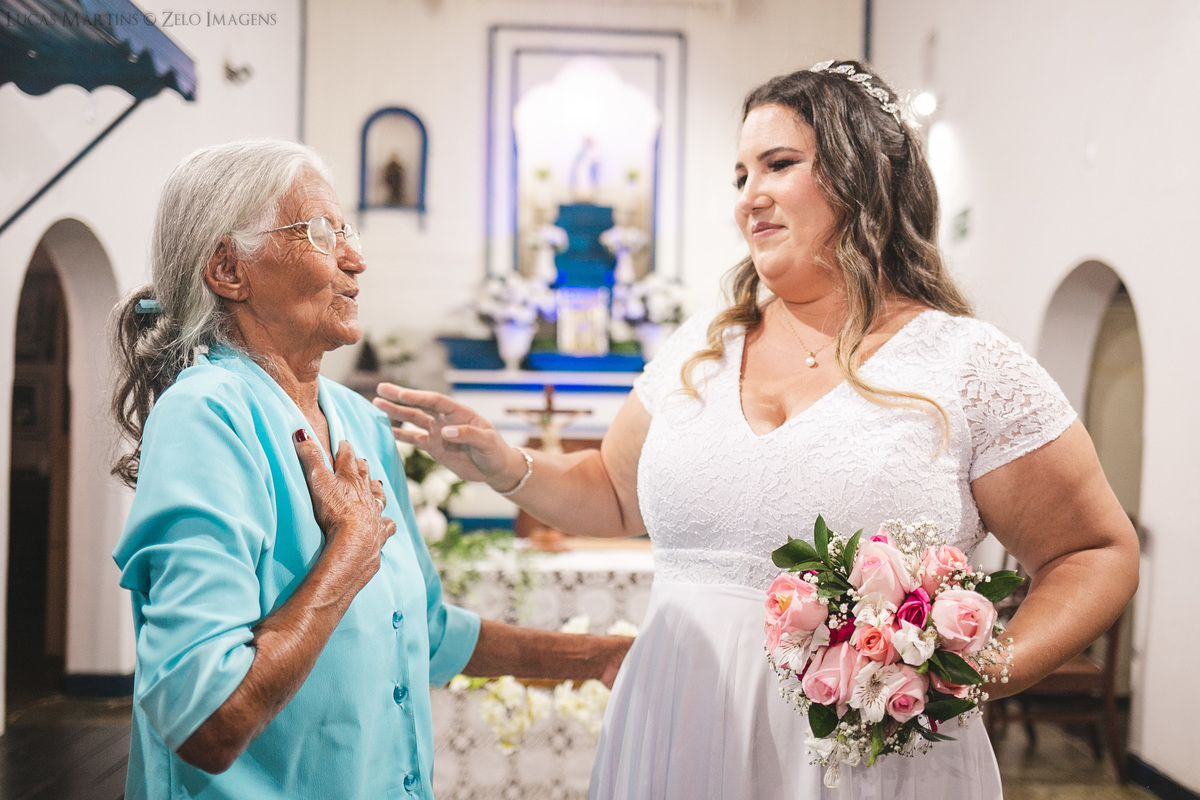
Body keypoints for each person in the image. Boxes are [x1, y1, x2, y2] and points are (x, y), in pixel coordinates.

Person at [372, 60, 1139, 800]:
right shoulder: (700, 345)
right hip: (678, 723)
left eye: (778, 164)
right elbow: (612, 493)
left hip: (863, 753)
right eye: (740, 176)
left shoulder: (965, 363)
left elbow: (1093, 552)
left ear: (862, 172)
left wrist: (978, 670)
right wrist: (505, 463)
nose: (749, 198)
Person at [109, 139, 631, 800]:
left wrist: (600, 657)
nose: (356, 258)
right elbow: (206, 722)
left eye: (347, 231)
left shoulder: (356, 421)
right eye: (322, 234)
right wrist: (347, 555)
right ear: (228, 270)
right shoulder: (206, 418)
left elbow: (426, 630)